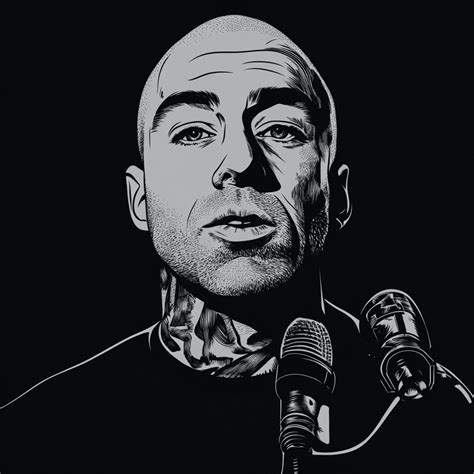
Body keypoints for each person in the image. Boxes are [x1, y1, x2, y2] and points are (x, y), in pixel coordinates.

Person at [1, 15, 471, 474]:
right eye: (193, 133)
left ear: (338, 196)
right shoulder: (36, 436)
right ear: (140, 200)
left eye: (281, 129)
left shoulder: (428, 416)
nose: (241, 161)